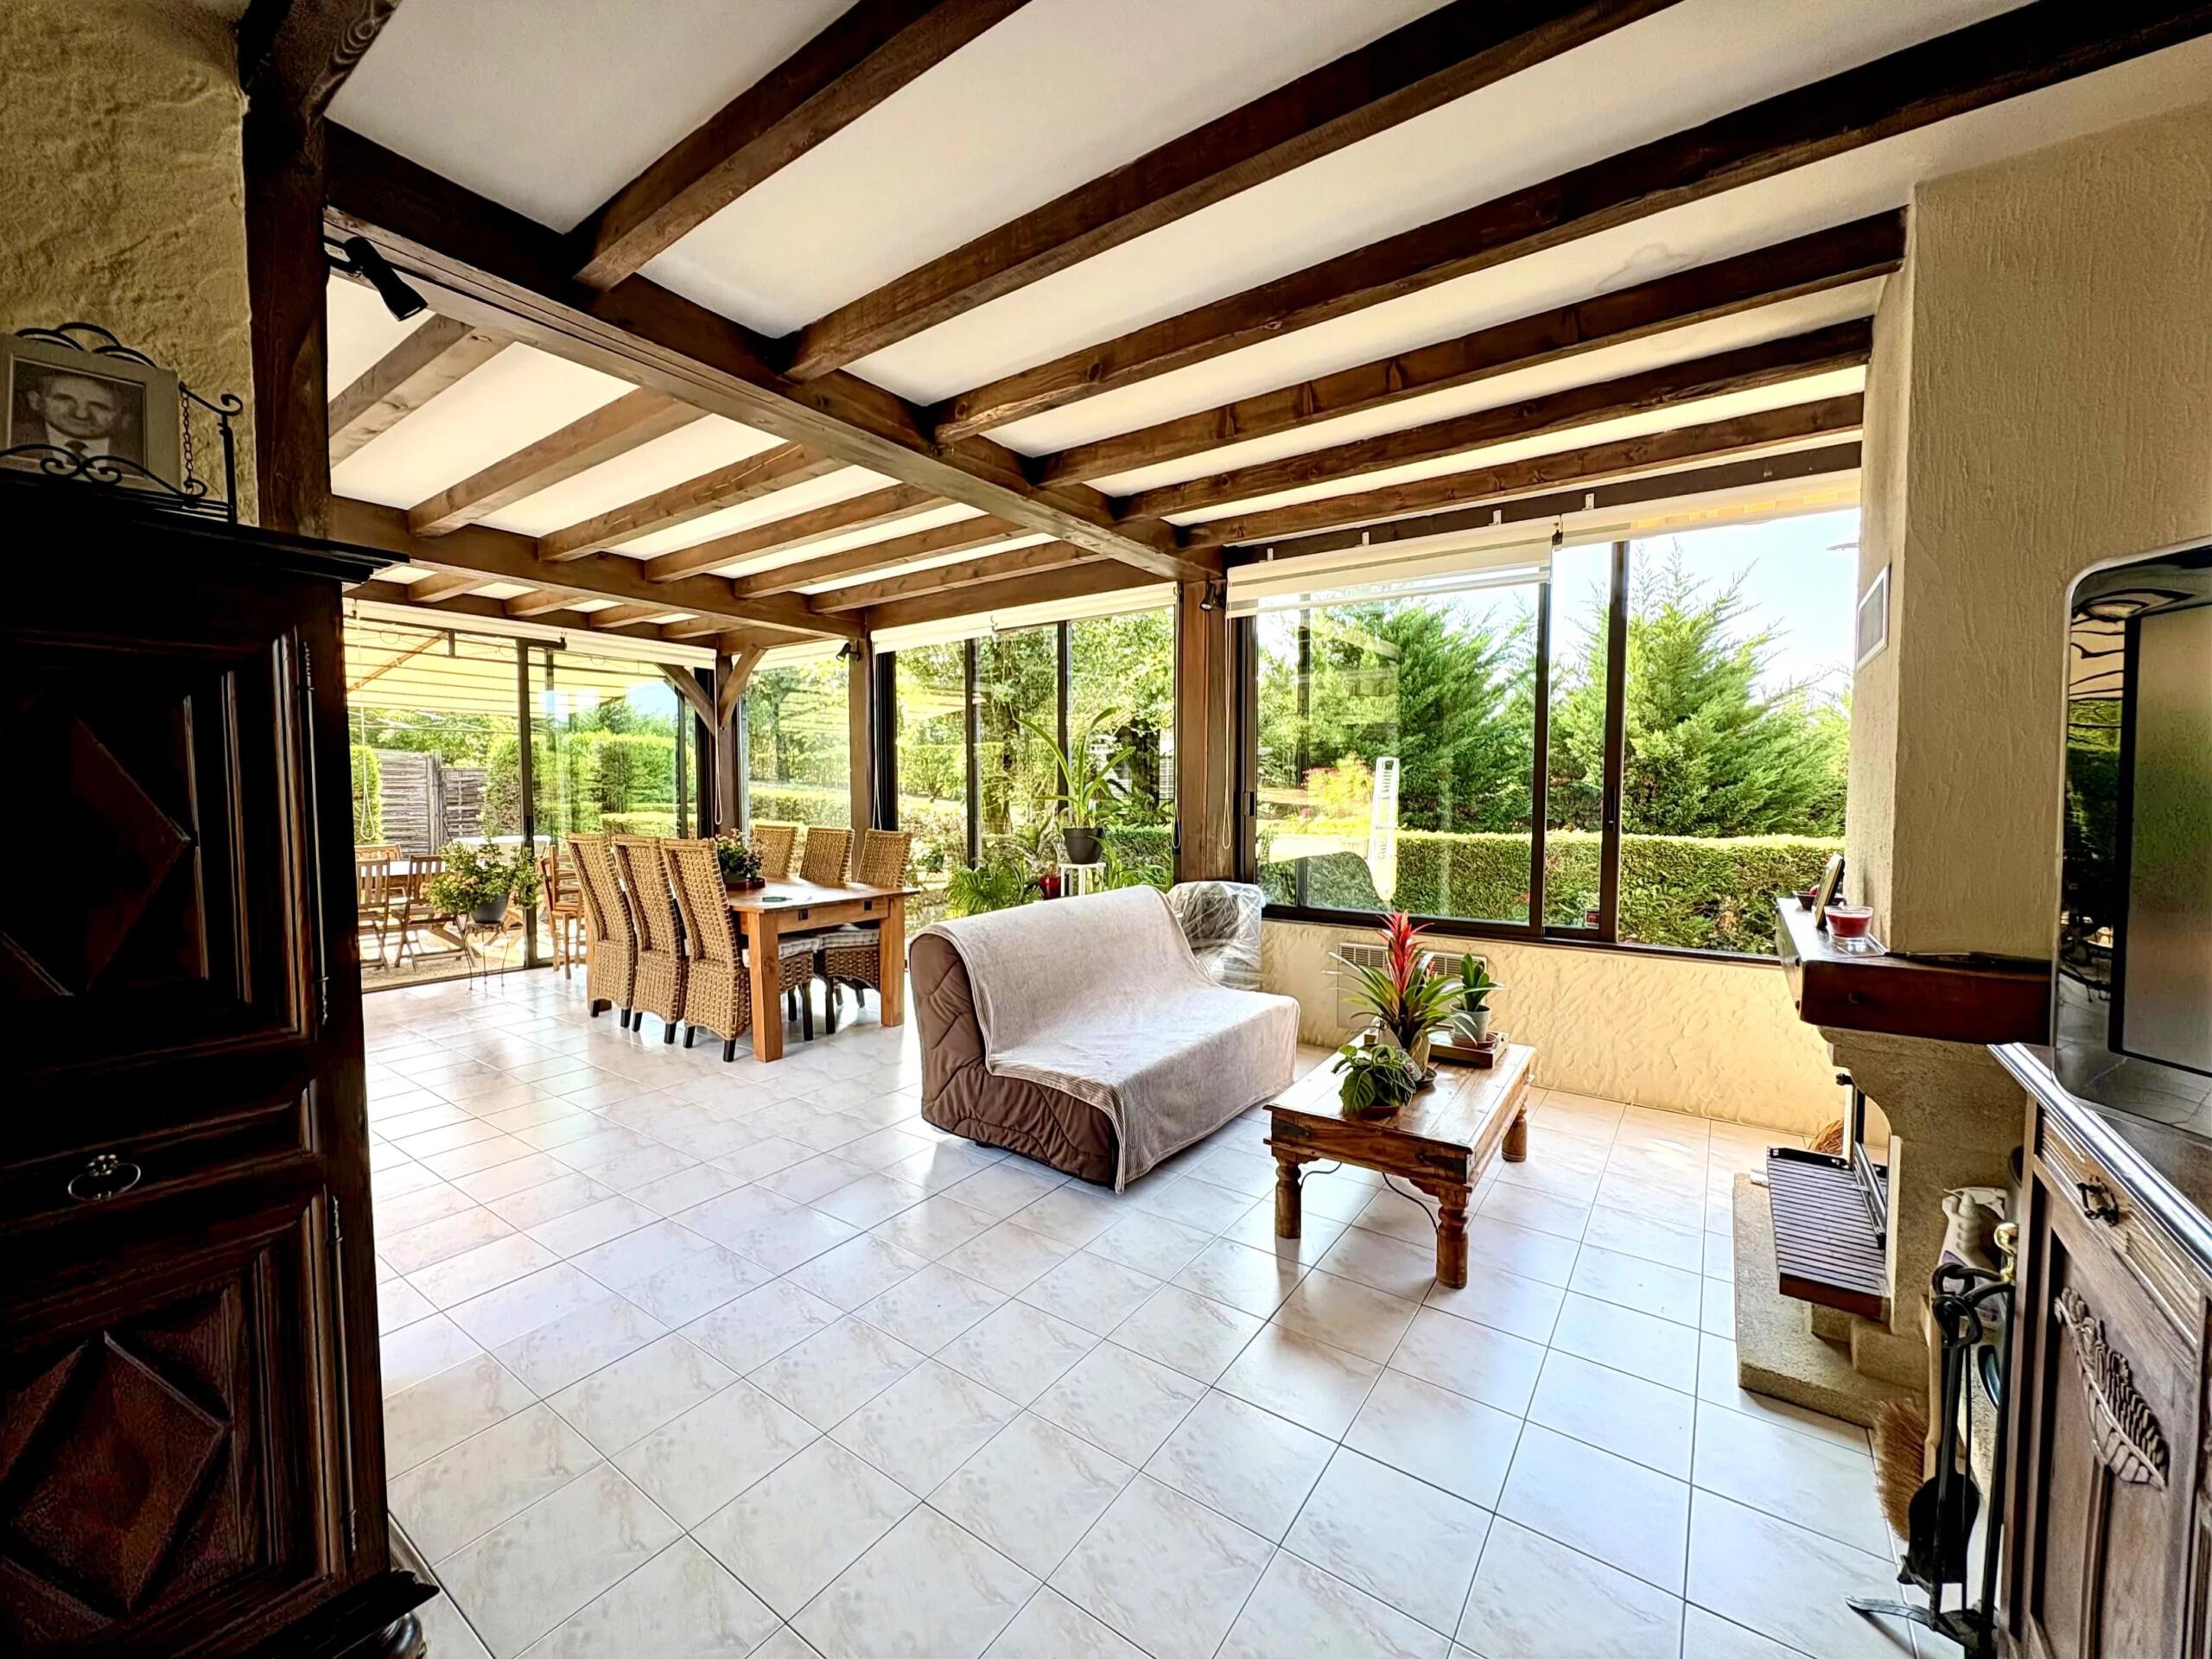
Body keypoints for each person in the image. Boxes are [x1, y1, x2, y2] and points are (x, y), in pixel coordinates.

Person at [10, 367, 143, 466]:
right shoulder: (10, 440)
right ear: (35, 400)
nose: (81, 414)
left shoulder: (133, 464)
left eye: (100, 406)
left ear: (126, 419)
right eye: (64, 399)